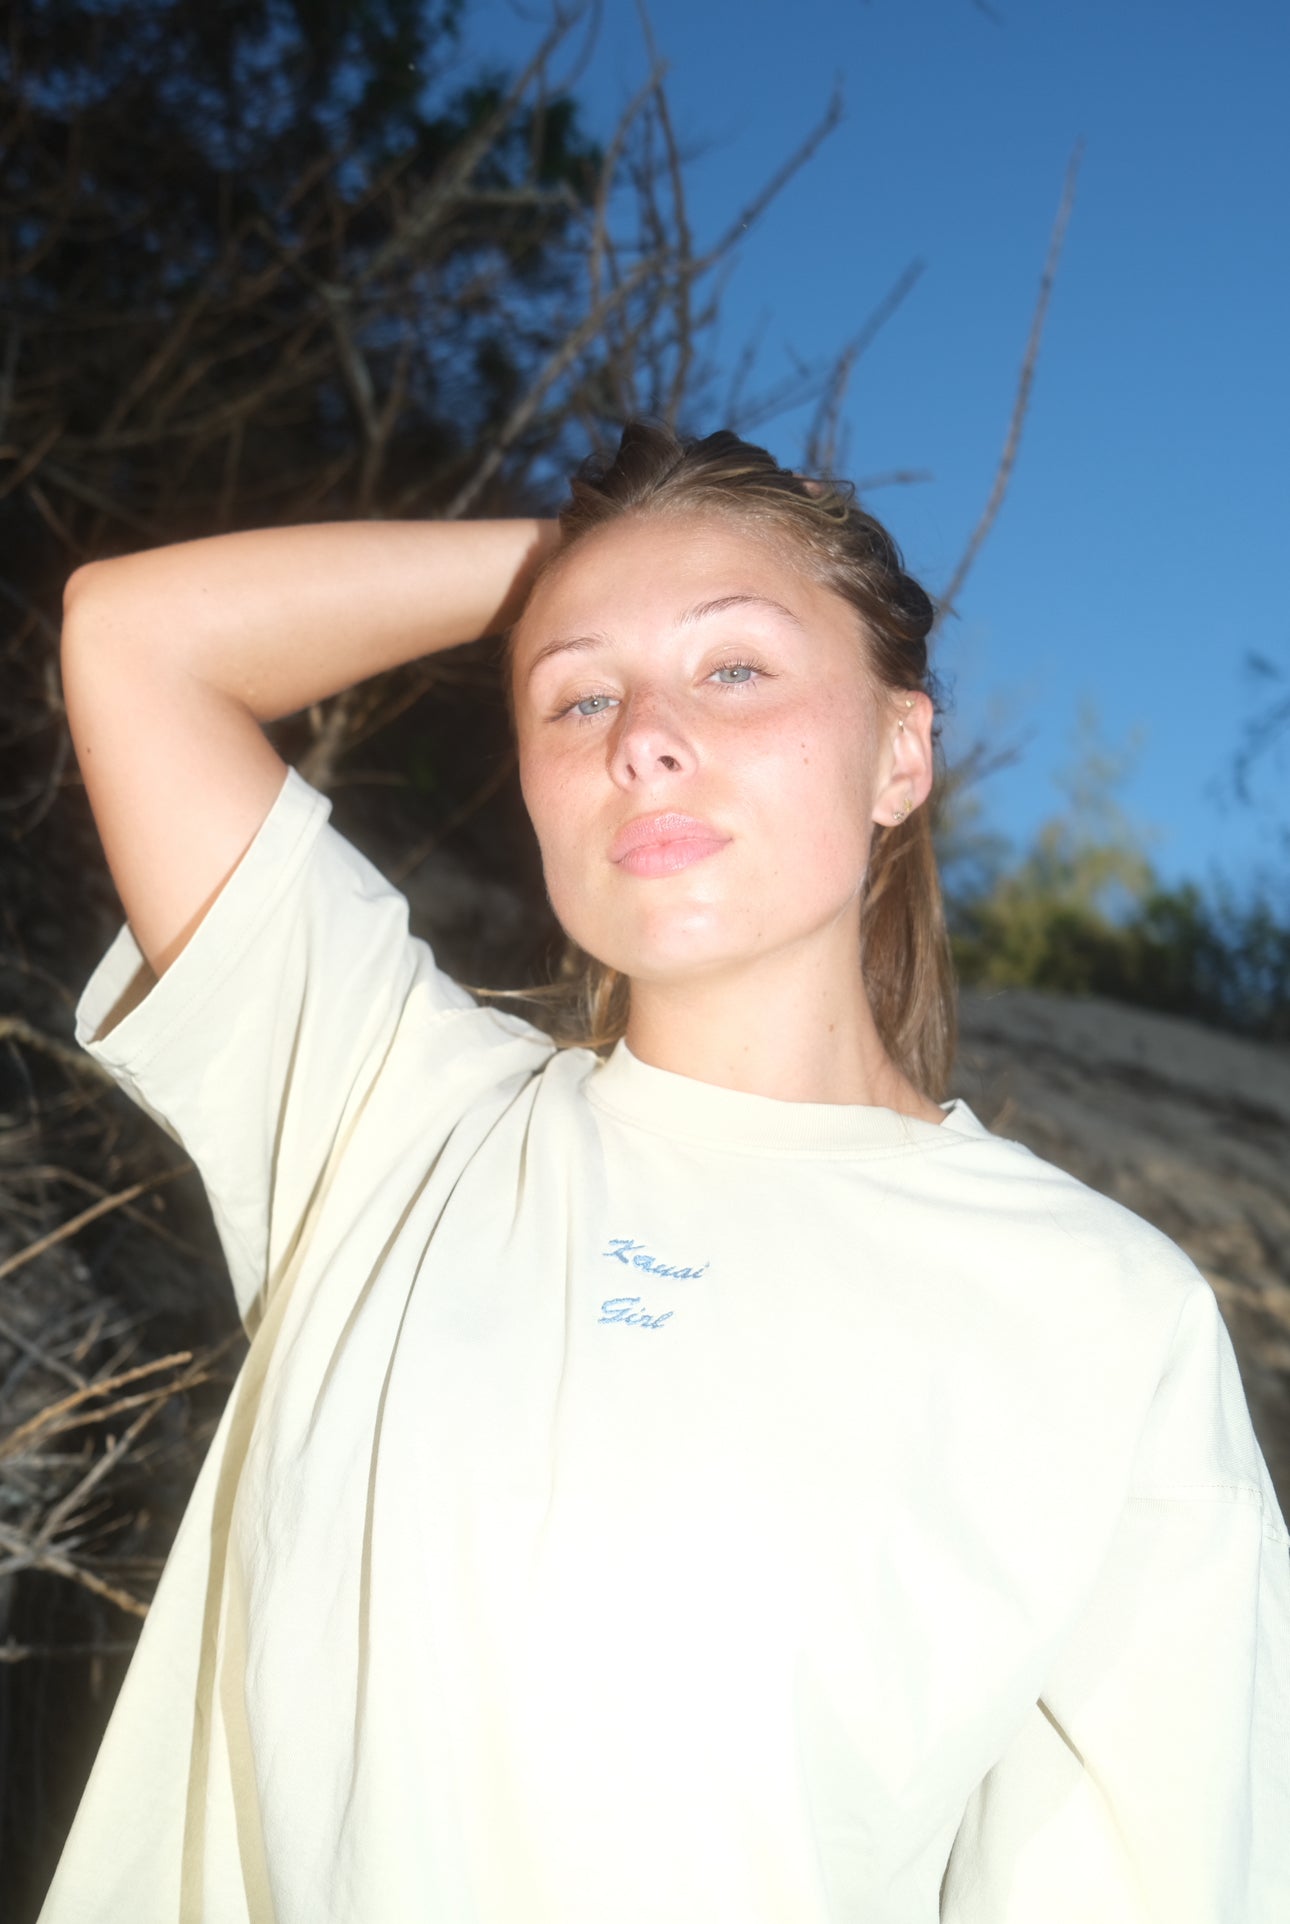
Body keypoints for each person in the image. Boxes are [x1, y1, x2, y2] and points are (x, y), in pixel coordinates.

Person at [42, 421, 1290, 1923]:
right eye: (578, 696)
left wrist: (602, 584)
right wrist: (566, 559)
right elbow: (135, 639)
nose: (640, 735)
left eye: (736, 668)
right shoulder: (388, 1118)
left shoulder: (1103, 1315)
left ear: (900, 753)